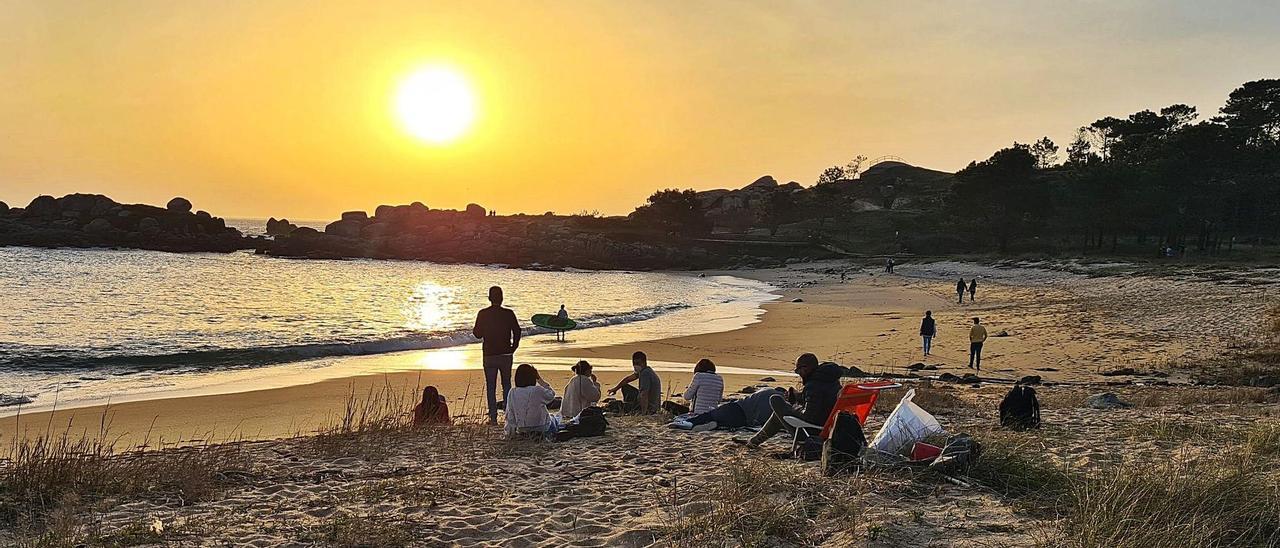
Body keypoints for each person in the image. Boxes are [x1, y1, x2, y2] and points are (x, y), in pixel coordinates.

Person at [742, 354, 842, 448]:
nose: (798, 374)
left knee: (776, 400)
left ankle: (753, 442)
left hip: (812, 432)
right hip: (828, 426)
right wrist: (798, 397)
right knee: (778, 414)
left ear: (806, 368)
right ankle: (754, 441)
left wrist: (793, 406)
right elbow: (819, 403)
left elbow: (809, 416)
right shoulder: (831, 381)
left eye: (798, 371)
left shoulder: (813, 385)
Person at [473, 286, 522, 425]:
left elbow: (477, 334)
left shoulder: (483, 313)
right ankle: (508, 416)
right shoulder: (509, 313)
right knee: (506, 384)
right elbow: (517, 331)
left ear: (489, 298)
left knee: (491, 386)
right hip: (506, 353)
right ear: (502, 298)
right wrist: (514, 346)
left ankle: (493, 417)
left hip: (489, 354)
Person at [673, 386, 785, 432]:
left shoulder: (767, 391)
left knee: (709, 415)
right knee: (726, 424)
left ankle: (690, 423)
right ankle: (716, 425)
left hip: (737, 407)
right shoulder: (780, 404)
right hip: (743, 421)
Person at [505, 363, 558, 438]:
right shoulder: (537, 390)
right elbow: (551, 395)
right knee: (553, 418)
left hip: (522, 428)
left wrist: (510, 433)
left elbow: (510, 413)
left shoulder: (512, 392)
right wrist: (540, 380)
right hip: (541, 427)